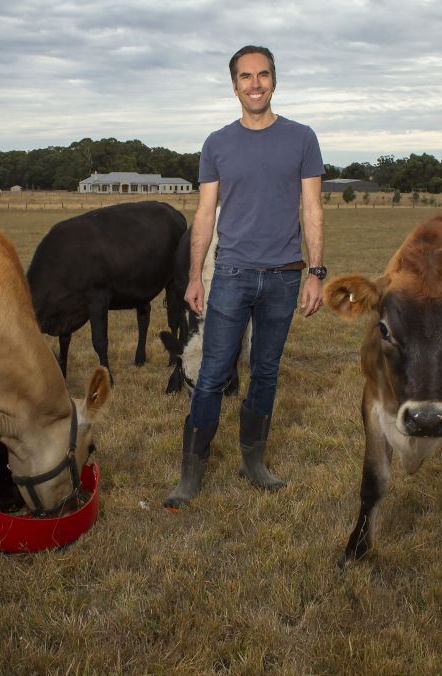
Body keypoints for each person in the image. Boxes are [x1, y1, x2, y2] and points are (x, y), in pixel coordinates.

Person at [165, 45, 325, 510]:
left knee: (266, 372)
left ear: (275, 80)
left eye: (263, 75)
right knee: (213, 373)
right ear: (233, 84)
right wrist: (195, 275)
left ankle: (253, 463)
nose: (255, 84)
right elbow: (205, 213)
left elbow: (312, 208)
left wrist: (315, 271)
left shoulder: (302, 138)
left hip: (284, 278)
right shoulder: (217, 143)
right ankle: (190, 474)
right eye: (245, 76)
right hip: (231, 275)